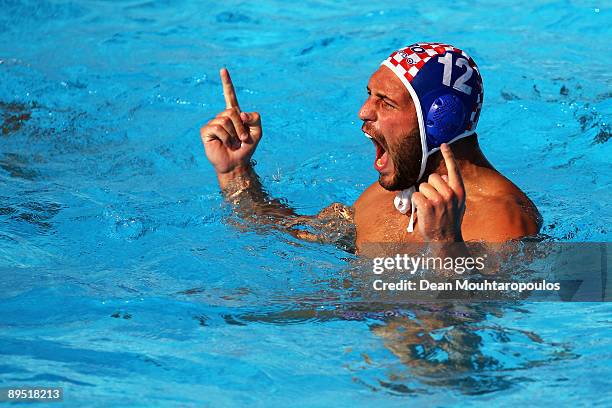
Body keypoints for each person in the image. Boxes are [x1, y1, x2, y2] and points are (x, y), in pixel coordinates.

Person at [200, 42, 541, 254]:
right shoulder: (379, 199)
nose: (363, 111)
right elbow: (285, 234)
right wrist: (234, 171)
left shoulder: (504, 221)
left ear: (440, 121)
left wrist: (446, 247)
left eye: (386, 102)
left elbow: (469, 335)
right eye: (369, 94)